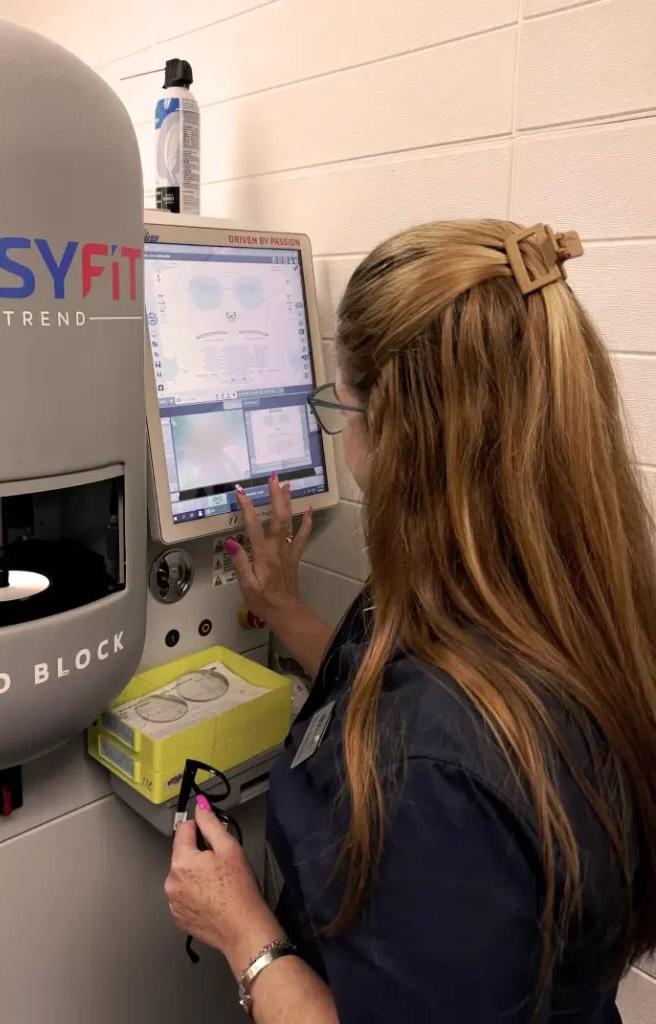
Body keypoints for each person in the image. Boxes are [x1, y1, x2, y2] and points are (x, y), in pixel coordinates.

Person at [165, 220, 656, 1023]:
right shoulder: (558, 602)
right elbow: (405, 689)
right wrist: (287, 611)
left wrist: (240, 928)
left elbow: (427, 736)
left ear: (398, 435)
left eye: (343, 408)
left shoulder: (430, 784)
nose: (345, 439)